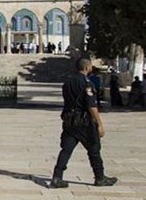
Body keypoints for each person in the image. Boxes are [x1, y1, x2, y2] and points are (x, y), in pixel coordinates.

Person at [50, 58, 118, 189]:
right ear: (87, 68)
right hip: (84, 122)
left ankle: (57, 177)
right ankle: (100, 177)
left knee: (66, 150)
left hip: (69, 121)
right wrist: (99, 124)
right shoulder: (87, 83)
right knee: (94, 149)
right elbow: (91, 106)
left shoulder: (68, 82)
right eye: (90, 66)